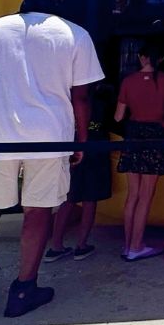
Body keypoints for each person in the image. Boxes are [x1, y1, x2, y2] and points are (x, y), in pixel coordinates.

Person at [0, 0, 105, 317]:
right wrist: (80, 138)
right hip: (49, 135)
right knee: (38, 211)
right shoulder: (75, 34)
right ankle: (24, 288)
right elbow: (81, 95)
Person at [114, 44, 164, 261]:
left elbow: (118, 117)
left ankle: (127, 244)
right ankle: (136, 246)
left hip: (133, 134)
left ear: (141, 58)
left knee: (133, 195)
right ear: (161, 59)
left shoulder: (128, 81)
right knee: (146, 196)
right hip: (155, 135)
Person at [46, 82, 111, 263]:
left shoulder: (67, 99)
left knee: (69, 197)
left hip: (72, 146)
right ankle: (81, 245)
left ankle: (56, 245)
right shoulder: (101, 99)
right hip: (95, 148)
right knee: (90, 198)